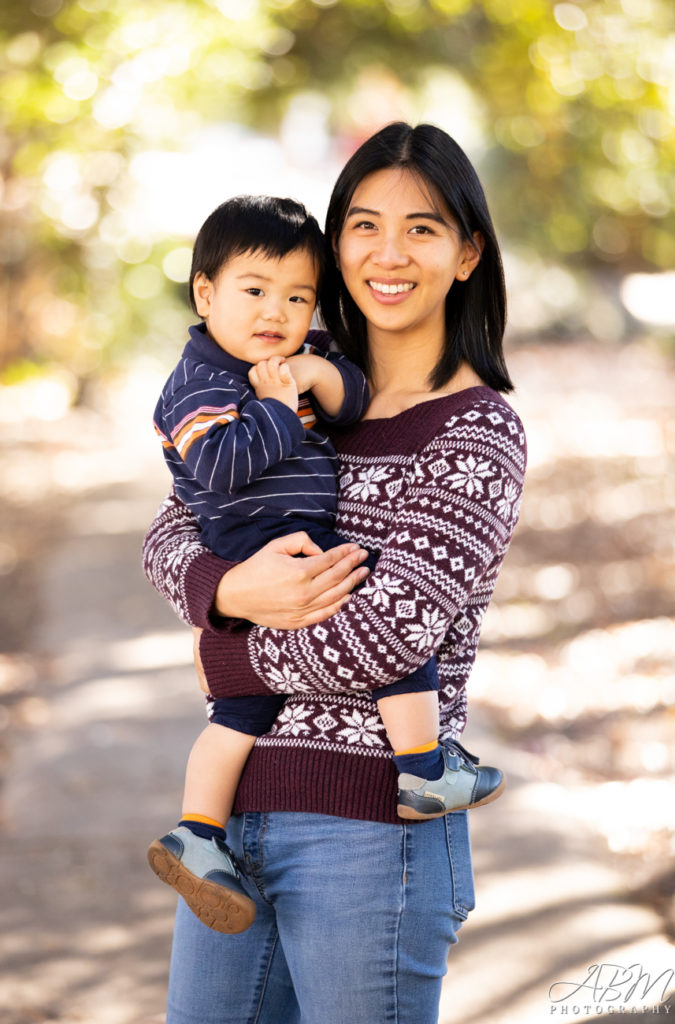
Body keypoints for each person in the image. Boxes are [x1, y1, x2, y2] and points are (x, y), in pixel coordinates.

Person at [142, 121, 526, 1024]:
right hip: (233, 827)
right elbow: (166, 535)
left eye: (422, 228)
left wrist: (226, 653)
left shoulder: (475, 431)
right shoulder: (282, 392)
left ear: (468, 253)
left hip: (371, 834)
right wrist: (227, 591)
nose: (388, 252)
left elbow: (387, 634)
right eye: (363, 224)